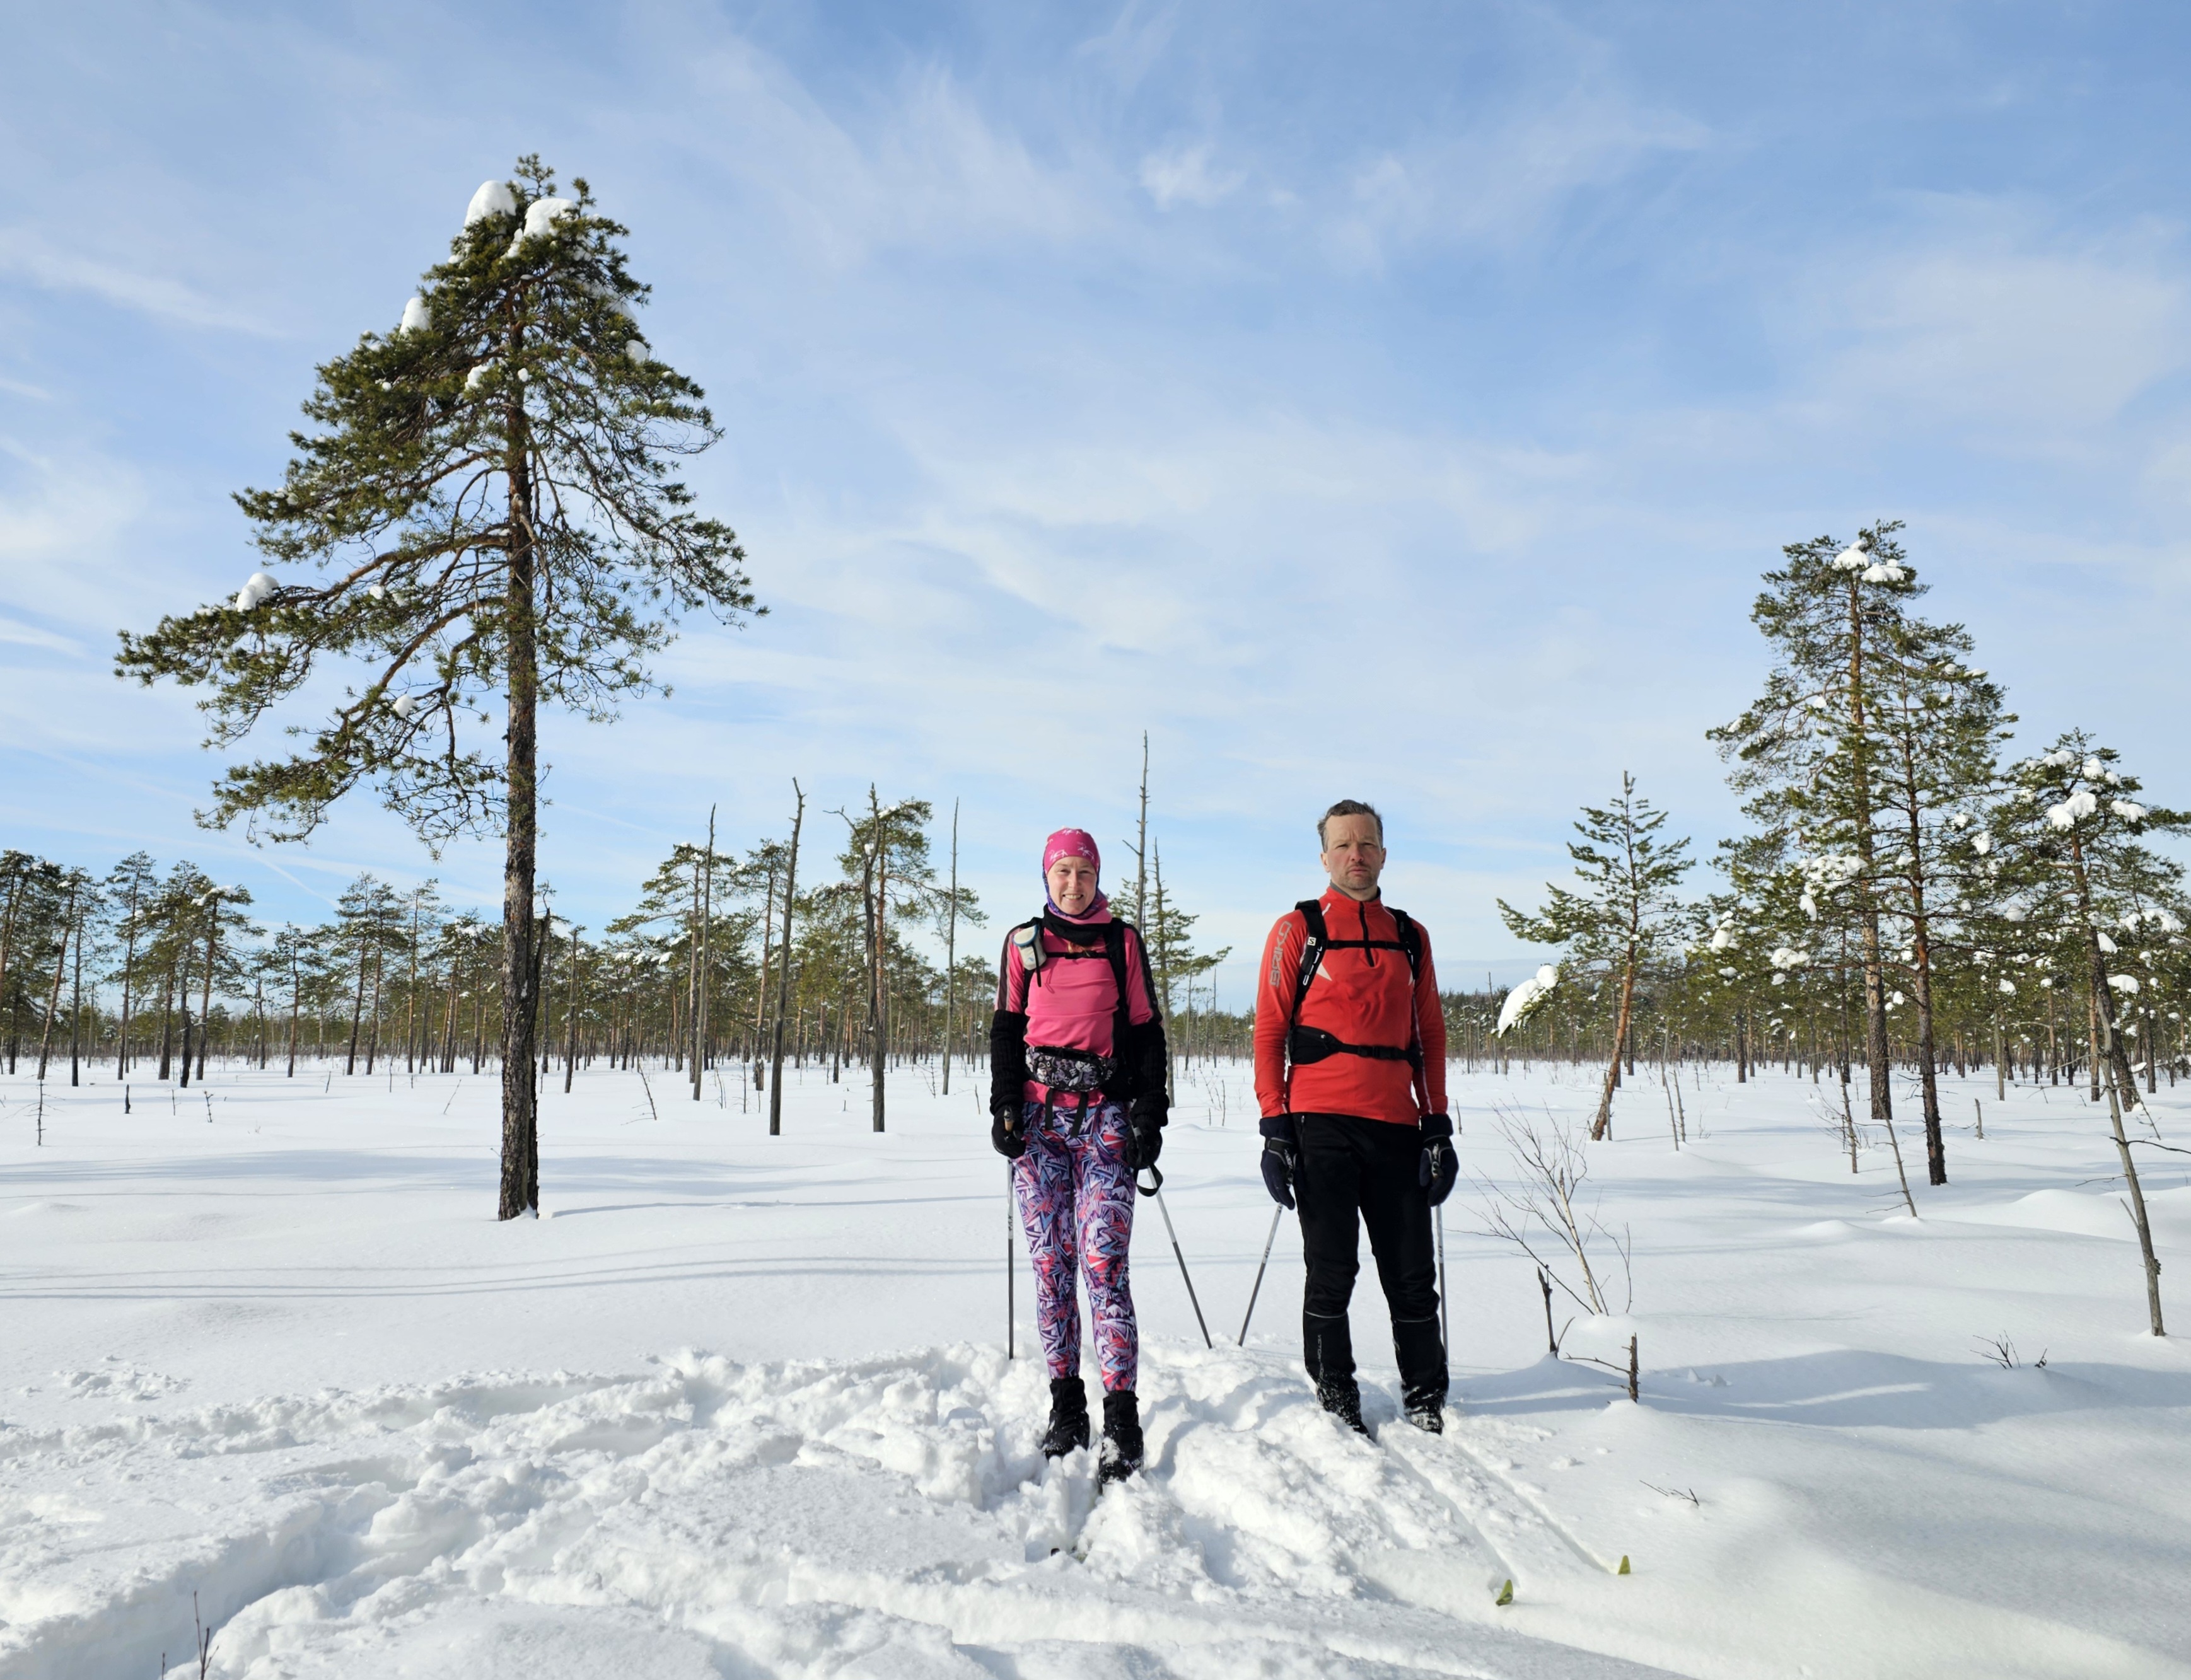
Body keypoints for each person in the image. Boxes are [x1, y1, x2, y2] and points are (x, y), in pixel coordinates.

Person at [1253, 799, 1457, 1434]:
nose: (1355, 855)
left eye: (1366, 843)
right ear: (1324, 857)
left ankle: (1424, 1390)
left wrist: (1437, 1125)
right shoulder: (1297, 929)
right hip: (1319, 1122)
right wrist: (1274, 1126)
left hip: (1396, 1122)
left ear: (1383, 854)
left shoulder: (1410, 935)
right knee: (1332, 1267)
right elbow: (1269, 1031)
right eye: (1343, 845)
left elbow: (1428, 1033)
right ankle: (1335, 1388)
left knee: (1411, 1273)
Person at [990, 828, 1169, 1483]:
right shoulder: (1022, 943)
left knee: (1103, 1264)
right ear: (1047, 876)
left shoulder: (1122, 942)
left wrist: (1150, 1112)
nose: (1073, 883)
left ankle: (1122, 1416)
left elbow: (1146, 1032)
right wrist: (1003, 1106)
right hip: (1038, 1125)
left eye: (1084, 872)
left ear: (1097, 877)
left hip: (1105, 1122)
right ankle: (1067, 1407)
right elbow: (1006, 1030)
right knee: (1051, 1266)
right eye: (1062, 871)